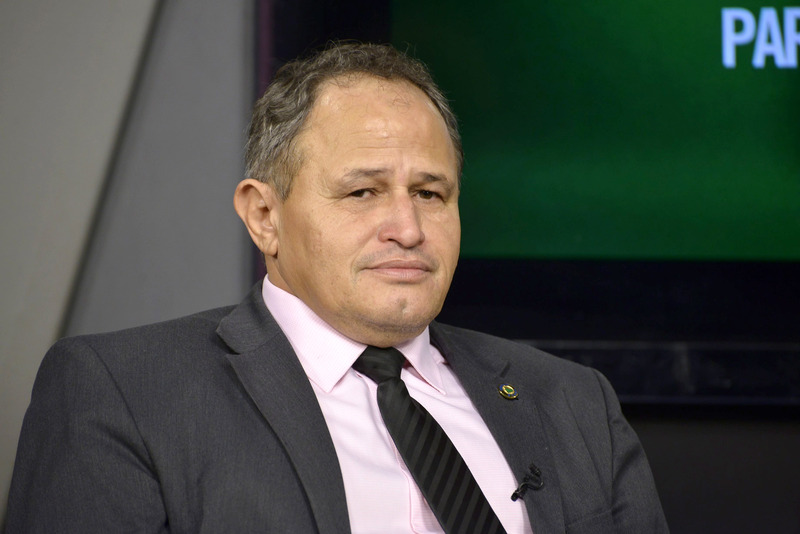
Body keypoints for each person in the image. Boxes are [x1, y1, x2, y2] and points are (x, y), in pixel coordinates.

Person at [5, 43, 668, 533]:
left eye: (430, 193)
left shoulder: (573, 402)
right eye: (362, 192)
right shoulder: (123, 393)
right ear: (264, 215)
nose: (408, 228)